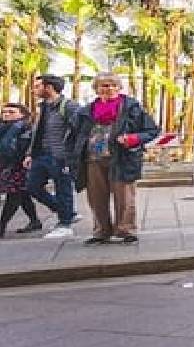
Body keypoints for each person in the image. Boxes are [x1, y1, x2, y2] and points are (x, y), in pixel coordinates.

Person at [68, 73, 159, 244]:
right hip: (93, 160)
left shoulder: (132, 108)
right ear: (96, 89)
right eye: (103, 85)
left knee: (124, 197)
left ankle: (126, 230)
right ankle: (101, 231)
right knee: (96, 198)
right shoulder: (85, 111)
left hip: (122, 158)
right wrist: (71, 157)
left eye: (112, 85)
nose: (108, 88)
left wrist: (133, 139)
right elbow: (73, 136)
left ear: (119, 87)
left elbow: (152, 130)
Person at [26, 74, 81, 239]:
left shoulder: (69, 106)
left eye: (37, 86)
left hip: (60, 156)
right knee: (32, 187)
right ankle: (66, 211)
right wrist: (30, 153)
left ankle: (64, 224)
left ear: (49, 87)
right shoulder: (43, 107)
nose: (34, 90)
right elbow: (37, 132)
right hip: (41, 155)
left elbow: (79, 131)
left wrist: (71, 155)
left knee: (63, 188)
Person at [0, 103, 39, 237]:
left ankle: (1, 226)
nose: (6, 114)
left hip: (19, 166)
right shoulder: (5, 128)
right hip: (7, 166)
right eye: (4, 112)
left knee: (14, 194)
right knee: (21, 194)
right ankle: (35, 221)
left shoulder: (25, 128)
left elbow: (20, 149)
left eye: (11, 112)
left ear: (22, 114)